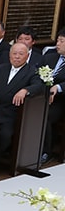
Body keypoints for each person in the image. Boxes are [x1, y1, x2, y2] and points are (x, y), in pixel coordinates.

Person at [0, 42, 44, 167]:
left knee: (4, 136)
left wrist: (25, 90)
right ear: (9, 55)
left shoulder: (32, 71)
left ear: (27, 56)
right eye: (14, 53)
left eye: (21, 54)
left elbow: (38, 85)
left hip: (11, 114)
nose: (17, 57)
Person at [41, 28, 65, 163]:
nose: (57, 44)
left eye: (61, 41)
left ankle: (46, 151)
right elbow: (36, 73)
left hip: (60, 101)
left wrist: (58, 87)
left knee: (46, 115)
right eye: (57, 40)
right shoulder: (49, 57)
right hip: (42, 97)